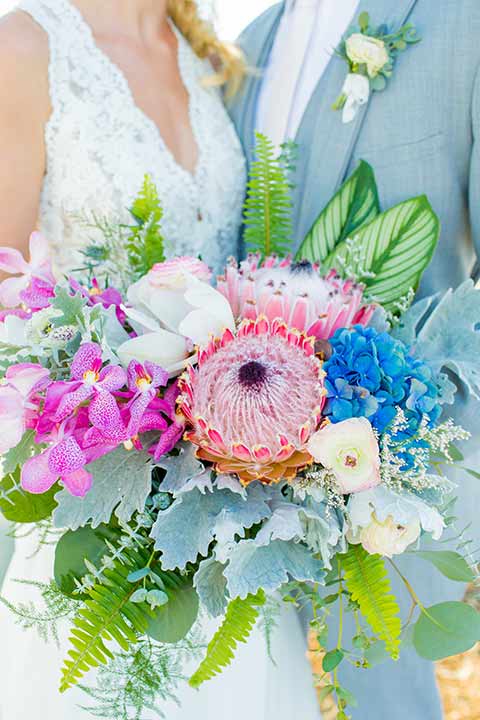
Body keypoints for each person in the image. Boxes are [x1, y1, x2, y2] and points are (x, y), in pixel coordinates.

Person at [0, 1, 321, 718]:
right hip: (96, 489)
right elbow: (4, 279)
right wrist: (96, 403)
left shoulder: (212, 59)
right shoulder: (26, 46)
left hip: (232, 489)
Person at [229, 1, 480, 718]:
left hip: (399, 511)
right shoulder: (244, 47)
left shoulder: (466, 24)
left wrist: (430, 453)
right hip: (242, 505)